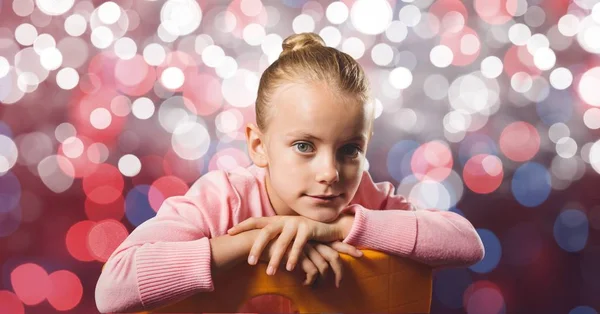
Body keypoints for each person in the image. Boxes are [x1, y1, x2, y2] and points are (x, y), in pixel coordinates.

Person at [95, 32, 485, 313]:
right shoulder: (222, 200)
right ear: (258, 146)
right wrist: (259, 241)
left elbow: (467, 244)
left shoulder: (364, 197)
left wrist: (339, 228)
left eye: (350, 150)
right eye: (304, 146)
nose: (330, 172)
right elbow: (113, 289)